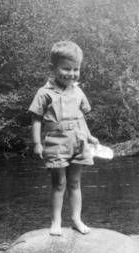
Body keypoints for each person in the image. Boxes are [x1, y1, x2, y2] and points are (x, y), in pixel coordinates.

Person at [29, 41, 99, 236]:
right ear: (53, 68)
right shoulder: (44, 93)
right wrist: (36, 143)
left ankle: (76, 219)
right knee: (59, 183)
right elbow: (35, 119)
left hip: (78, 140)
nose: (71, 73)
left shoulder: (78, 91)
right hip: (56, 142)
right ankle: (56, 222)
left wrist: (90, 136)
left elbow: (81, 116)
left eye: (76, 69)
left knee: (75, 183)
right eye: (66, 68)